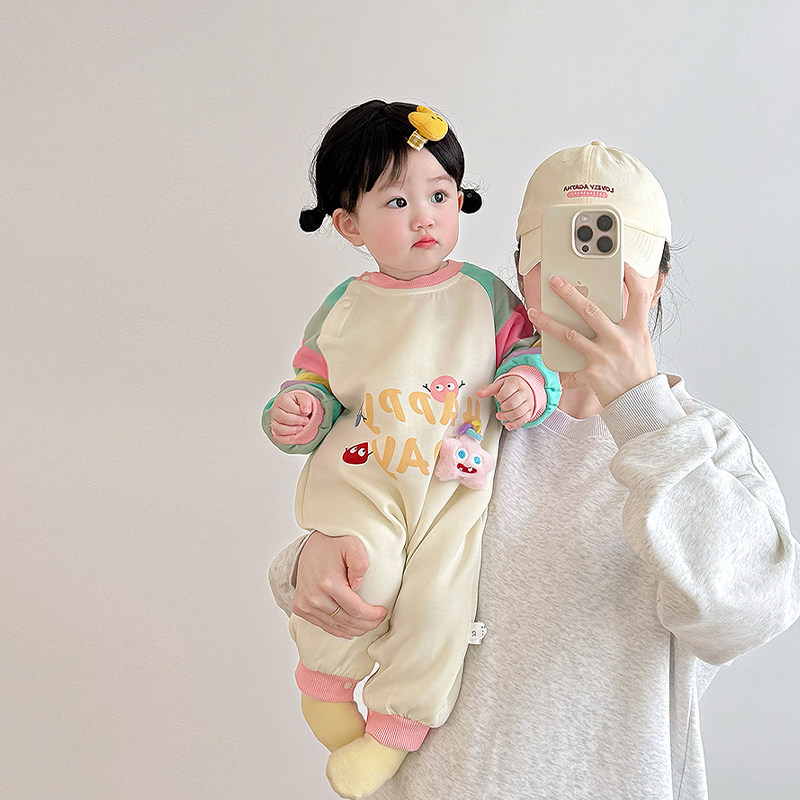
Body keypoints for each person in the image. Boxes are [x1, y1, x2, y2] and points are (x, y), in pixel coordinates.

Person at [269, 141, 800, 799]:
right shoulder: (460, 413)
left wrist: (642, 411)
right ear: (522, 273)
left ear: (658, 276)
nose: (584, 277)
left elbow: (745, 615)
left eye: (612, 248)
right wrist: (308, 563)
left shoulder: (698, 445)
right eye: (564, 249)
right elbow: (363, 532)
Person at [262, 100, 561, 798]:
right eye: (397, 201)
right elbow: (316, 385)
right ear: (349, 224)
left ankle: (394, 731)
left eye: (440, 195)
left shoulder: (483, 295)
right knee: (356, 576)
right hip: (365, 482)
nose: (425, 216)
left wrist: (528, 385)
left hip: (454, 492)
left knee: (439, 610)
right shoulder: (346, 306)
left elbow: (532, 353)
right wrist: (299, 412)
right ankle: (325, 685)